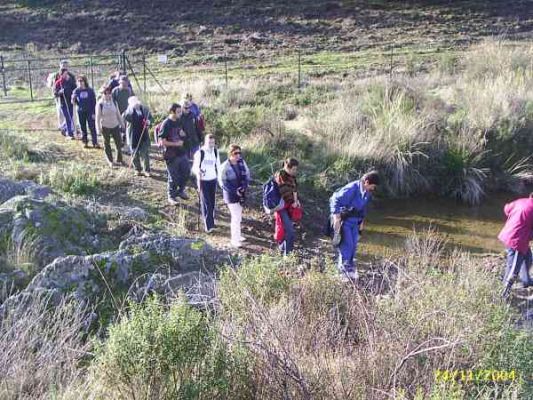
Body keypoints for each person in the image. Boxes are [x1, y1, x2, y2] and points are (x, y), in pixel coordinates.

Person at [329, 171, 380, 282]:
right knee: (346, 246)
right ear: (367, 182)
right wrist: (336, 217)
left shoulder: (367, 192)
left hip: (355, 222)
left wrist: (361, 223)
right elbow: (335, 199)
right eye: (373, 186)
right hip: (345, 221)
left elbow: (363, 208)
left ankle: (350, 269)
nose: (373, 189)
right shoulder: (352, 188)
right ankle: (343, 272)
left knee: (353, 246)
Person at [498, 194, 533, 296]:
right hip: (517, 241)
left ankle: (525, 280)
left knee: (528, 258)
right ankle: (503, 294)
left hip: (510, 234)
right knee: (513, 269)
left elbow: (507, 209)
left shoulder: (521, 201)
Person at [218, 144, 251, 248]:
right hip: (231, 195)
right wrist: (234, 191)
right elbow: (222, 183)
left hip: (241, 193)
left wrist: (244, 187)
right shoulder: (224, 166)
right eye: (235, 153)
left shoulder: (242, 162)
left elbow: (247, 175)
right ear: (230, 153)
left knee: (239, 216)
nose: (238, 155)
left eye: (239, 153)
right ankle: (234, 240)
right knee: (235, 217)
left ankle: (239, 235)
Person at [158, 103, 191, 204]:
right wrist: (175, 144)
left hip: (182, 152)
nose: (180, 113)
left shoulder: (179, 121)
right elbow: (162, 142)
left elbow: (181, 133)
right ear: (172, 112)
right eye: (178, 112)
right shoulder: (166, 124)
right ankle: (171, 196)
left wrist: (183, 135)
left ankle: (180, 191)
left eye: (180, 111)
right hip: (171, 155)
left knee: (186, 173)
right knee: (173, 177)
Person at [192, 134, 221, 232]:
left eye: (213, 142)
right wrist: (198, 171)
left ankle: (211, 223)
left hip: (213, 179)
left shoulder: (215, 152)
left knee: (212, 203)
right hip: (203, 181)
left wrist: (220, 181)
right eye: (209, 142)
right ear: (205, 142)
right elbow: (194, 167)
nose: (211, 144)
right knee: (206, 203)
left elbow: (219, 166)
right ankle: (208, 226)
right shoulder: (200, 153)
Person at [274, 158, 301, 256]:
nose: (295, 171)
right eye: (293, 169)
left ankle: (282, 250)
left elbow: (295, 190)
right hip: (281, 207)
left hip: (289, 206)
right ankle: (288, 255)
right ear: (287, 167)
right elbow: (284, 192)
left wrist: (296, 201)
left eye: (296, 169)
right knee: (289, 230)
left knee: (286, 229)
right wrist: (293, 201)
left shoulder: (292, 176)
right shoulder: (280, 176)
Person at [123, 96, 152, 177]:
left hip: (143, 135)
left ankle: (147, 170)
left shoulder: (144, 109)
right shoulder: (129, 111)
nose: (136, 105)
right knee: (134, 153)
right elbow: (126, 117)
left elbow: (150, 118)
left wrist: (148, 122)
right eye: (134, 104)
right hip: (133, 136)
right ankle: (137, 169)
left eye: (136, 103)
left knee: (145, 153)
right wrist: (130, 108)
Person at [95, 86, 124, 167]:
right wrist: (98, 129)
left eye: (109, 93)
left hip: (115, 125)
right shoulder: (100, 104)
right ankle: (110, 161)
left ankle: (119, 159)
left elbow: (118, 114)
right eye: (105, 93)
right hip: (105, 126)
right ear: (102, 94)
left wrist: (122, 124)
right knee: (106, 144)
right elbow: (97, 118)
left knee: (118, 143)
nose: (107, 95)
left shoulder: (114, 102)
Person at [48, 60, 75, 134]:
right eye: (63, 65)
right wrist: (57, 93)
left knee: (69, 115)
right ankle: (62, 126)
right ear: (60, 66)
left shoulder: (71, 76)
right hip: (60, 99)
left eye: (66, 65)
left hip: (69, 98)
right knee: (61, 114)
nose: (64, 66)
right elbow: (53, 86)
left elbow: (74, 86)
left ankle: (66, 127)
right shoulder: (56, 75)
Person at [72, 75, 98, 148]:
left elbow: (94, 102)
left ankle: (95, 142)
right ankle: (85, 142)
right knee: (83, 127)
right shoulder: (76, 91)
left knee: (92, 127)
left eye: (81, 81)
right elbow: (73, 103)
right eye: (78, 81)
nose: (80, 83)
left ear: (85, 81)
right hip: (81, 112)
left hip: (90, 111)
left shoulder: (90, 90)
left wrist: (94, 113)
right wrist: (73, 99)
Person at [53, 68, 77, 140]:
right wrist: (59, 92)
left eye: (67, 73)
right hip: (63, 103)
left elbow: (75, 88)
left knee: (70, 117)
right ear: (61, 74)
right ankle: (70, 133)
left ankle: (63, 127)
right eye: (65, 74)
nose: (66, 75)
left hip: (70, 102)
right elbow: (55, 94)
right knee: (68, 117)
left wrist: (74, 95)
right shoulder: (58, 83)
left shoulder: (70, 81)